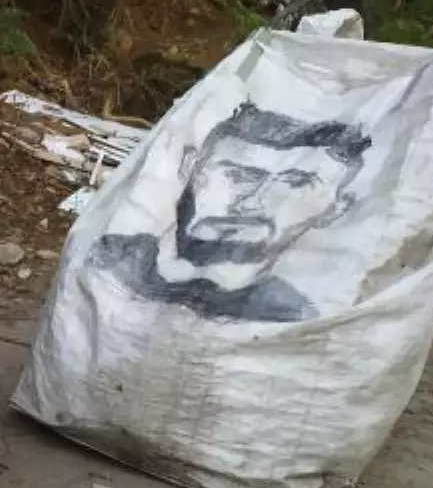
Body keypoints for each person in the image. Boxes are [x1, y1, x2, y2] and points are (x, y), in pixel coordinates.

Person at [90, 101, 371, 323]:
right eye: (238, 176)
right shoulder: (112, 259)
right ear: (190, 168)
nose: (250, 203)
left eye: (295, 183)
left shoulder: (294, 317)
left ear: (335, 210)